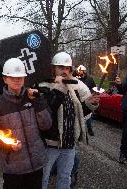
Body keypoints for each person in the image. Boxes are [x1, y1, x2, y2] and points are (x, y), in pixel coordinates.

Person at [0, 58, 52, 189]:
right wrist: (8, 146)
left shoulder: (34, 98)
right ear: (5, 79)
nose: (17, 80)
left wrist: (38, 101)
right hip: (13, 168)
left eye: (20, 77)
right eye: (12, 77)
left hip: (36, 165)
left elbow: (47, 125)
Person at [38, 52, 99, 189]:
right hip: (50, 144)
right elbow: (48, 112)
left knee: (65, 177)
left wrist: (90, 103)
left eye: (67, 68)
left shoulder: (74, 88)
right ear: (53, 68)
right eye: (61, 67)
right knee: (43, 177)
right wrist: (59, 87)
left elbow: (77, 114)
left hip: (69, 143)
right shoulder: (44, 86)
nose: (64, 71)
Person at [75, 64, 96, 136]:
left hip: (88, 99)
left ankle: (89, 129)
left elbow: (94, 87)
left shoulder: (90, 79)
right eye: (78, 70)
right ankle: (81, 132)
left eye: (80, 70)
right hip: (79, 99)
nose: (79, 71)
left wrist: (93, 94)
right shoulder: (76, 79)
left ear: (83, 71)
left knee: (88, 115)